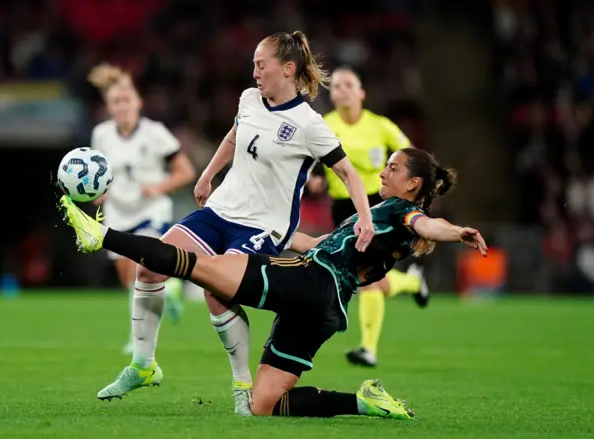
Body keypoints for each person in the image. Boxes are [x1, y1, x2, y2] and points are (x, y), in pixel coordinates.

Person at [60, 147, 487, 418]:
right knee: (265, 404)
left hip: (310, 280)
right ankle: (362, 402)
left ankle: (102, 236)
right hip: (325, 309)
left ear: (413, 183)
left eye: (392, 168)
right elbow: (318, 241)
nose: (382, 173)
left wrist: (459, 232)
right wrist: (277, 232)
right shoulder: (384, 223)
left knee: (199, 267)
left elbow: (429, 224)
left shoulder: (398, 211)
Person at [95, 31, 376, 414]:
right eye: (254, 64)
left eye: (262, 64)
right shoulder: (249, 99)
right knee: (151, 267)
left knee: (216, 290)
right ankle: (143, 366)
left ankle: (242, 386)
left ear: (288, 69)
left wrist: (364, 217)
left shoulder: (309, 124)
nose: (255, 71)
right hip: (220, 211)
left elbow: (347, 173)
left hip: (263, 228)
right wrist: (208, 174)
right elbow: (234, 135)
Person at [306, 66, 428, 367]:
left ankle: (368, 349)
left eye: (348, 84)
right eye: (335, 86)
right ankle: (411, 283)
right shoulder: (324, 124)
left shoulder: (380, 126)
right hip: (342, 208)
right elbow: (310, 161)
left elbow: (411, 158)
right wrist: (316, 179)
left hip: (378, 207)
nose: (342, 90)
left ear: (362, 92)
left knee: (367, 280)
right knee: (367, 278)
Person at [87, 64, 196, 352]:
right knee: (130, 281)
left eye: (126, 100)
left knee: (141, 270)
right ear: (109, 106)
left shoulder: (155, 133)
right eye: (115, 102)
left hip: (151, 210)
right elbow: (99, 174)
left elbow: (185, 171)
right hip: (118, 212)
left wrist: (158, 188)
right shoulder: (101, 135)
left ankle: (142, 340)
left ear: (138, 103)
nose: (121, 106)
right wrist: (99, 192)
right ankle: (165, 294)